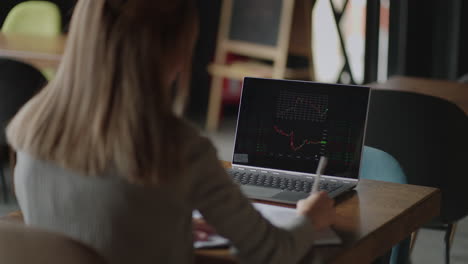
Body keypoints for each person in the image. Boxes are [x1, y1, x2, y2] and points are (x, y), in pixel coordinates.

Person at [6, 0, 336, 263]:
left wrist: (165, 223)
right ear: (177, 50)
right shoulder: (178, 148)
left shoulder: (31, 127)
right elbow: (271, 251)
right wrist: (308, 220)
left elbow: (80, 226)